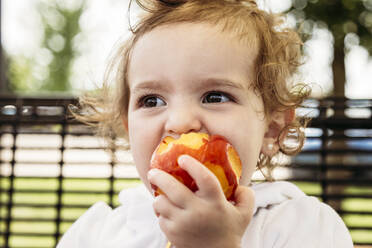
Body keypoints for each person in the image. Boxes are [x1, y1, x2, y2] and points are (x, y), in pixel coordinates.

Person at [57, 0, 353, 247]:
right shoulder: (99, 233)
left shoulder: (303, 228)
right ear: (128, 126)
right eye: (152, 101)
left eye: (214, 96)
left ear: (272, 128)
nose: (180, 122)